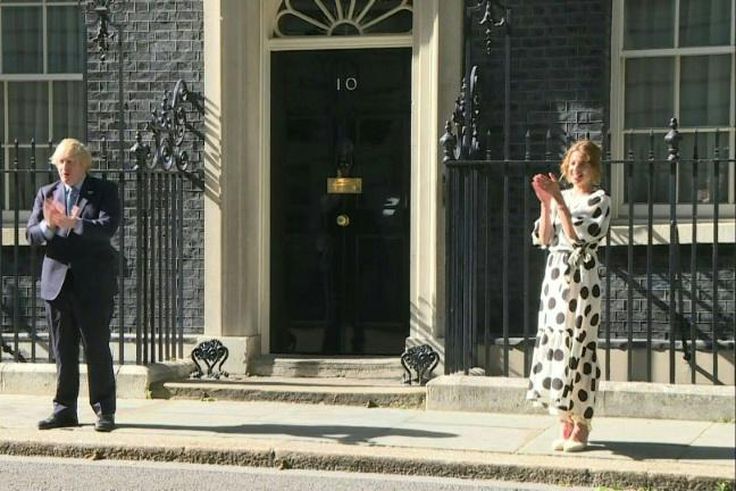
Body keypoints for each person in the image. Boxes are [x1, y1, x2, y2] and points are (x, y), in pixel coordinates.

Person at [26, 138, 120, 432]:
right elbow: (31, 234)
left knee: (96, 347)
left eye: (70, 162)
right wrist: (49, 227)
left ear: (83, 165)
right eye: (60, 163)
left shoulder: (103, 191)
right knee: (63, 350)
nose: (64, 168)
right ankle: (65, 409)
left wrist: (74, 224)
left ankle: (104, 410)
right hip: (57, 283)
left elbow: (107, 228)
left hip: (92, 283)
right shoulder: (47, 194)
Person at [526, 139, 611, 452]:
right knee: (557, 342)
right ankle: (564, 418)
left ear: (595, 168)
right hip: (556, 275)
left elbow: (578, 239)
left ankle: (582, 424)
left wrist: (559, 201)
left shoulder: (599, 200)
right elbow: (545, 238)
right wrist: (545, 203)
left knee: (579, 346)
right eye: (573, 164)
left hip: (581, 278)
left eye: (584, 164)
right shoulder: (564, 196)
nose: (577, 170)